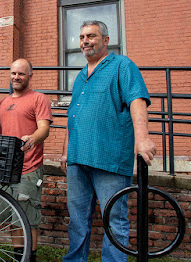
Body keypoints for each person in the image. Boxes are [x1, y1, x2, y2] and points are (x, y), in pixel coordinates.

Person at [60, 20, 156, 262]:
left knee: (114, 218)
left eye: (90, 36)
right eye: (82, 37)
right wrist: (65, 152)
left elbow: (137, 100)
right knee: (77, 220)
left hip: (109, 157)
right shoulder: (81, 76)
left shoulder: (123, 65)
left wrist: (142, 138)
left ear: (105, 40)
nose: (84, 41)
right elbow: (74, 115)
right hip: (77, 158)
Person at [0, 58, 52, 262]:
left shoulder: (38, 98)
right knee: (13, 218)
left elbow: (44, 128)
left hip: (29, 167)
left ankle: (30, 258)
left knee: (29, 220)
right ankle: (18, 257)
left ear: (30, 75)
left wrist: (33, 138)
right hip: (5, 170)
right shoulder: (3, 102)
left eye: (21, 74)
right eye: (13, 73)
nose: (16, 77)